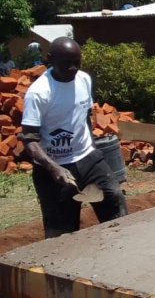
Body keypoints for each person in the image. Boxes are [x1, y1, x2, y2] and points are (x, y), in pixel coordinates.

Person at [19, 37, 127, 238]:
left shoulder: (84, 80)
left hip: (87, 159)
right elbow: (29, 139)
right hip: (53, 170)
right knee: (62, 234)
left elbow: (84, 116)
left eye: (77, 62)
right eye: (66, 63)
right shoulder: (39, 92)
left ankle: (120, 253)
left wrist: (92, 150)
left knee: (115, 204)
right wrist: (54, 168)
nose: (72, 68)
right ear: (50, 59)